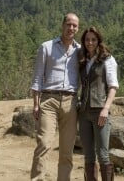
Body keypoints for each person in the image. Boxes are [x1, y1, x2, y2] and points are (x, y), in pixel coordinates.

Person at [30, 13, 80, 181]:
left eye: (74, 25)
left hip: (71, 102)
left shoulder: (80, 51)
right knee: (44, 144)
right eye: (68, 24)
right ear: (62, 25)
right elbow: (37, 77)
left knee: (66, 151)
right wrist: (36, 103)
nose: (71, 28)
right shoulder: (46, 47)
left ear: (77, 28)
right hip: (48, 100)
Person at [78, 26, 119, 181]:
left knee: (102, 154)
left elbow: (113, 86)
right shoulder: (83, 60)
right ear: (84, 41)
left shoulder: (107, 59)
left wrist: (105, 108)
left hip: (100, 111)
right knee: (88, 155)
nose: (90, 42)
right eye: (87, 39)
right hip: (83, 113)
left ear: (98, 41)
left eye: (93, 39)